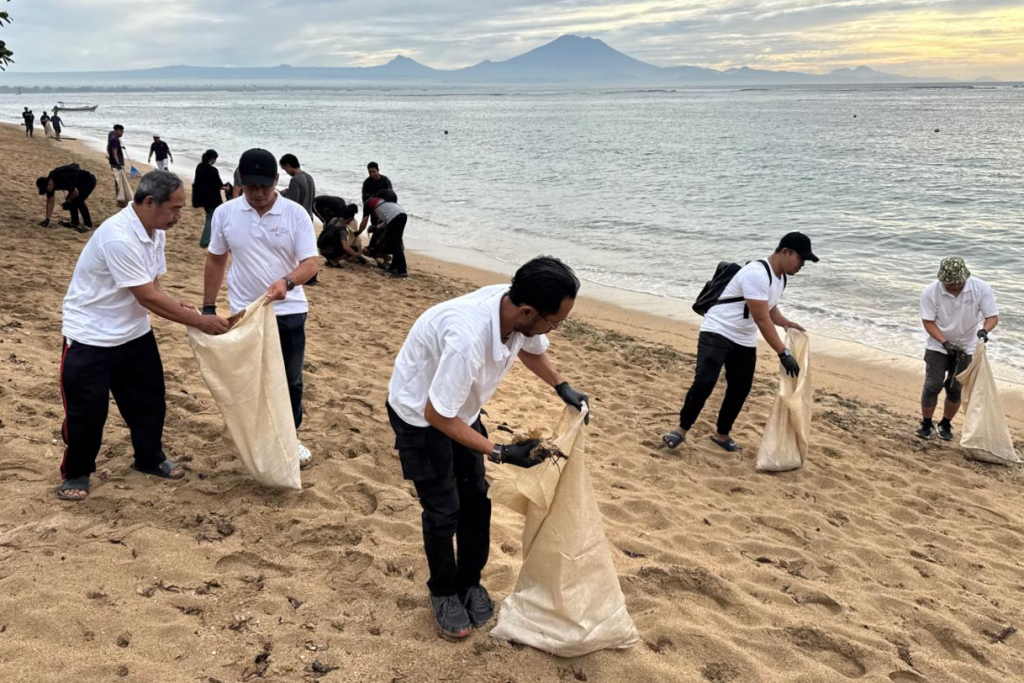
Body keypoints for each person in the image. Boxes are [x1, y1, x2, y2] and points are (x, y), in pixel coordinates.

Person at [387, 256, 590, 639]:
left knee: (476, 501)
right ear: (527, 311)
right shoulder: (468, 338)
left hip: (460, 411)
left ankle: (470, 582)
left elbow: (531, 346)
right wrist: (500, 451)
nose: (554, 329)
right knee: (443, 510)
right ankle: (444, 591)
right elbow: (436, 415)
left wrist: (561, 385)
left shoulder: (516, 309)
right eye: (554, 323)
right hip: (419, 415)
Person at [56, 171, 230, 501]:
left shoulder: (154, 230)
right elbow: (147, 297)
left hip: (134, 332)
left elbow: (153, 285)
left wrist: (174, 302)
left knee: (149, 402)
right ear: (150, 202)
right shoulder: (119, 237)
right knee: (87, 413)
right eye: (174, 209)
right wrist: (199, 321)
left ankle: (148, 458)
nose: (178, 216)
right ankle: (77, 472)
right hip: (91, 335)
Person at [203, 149, 319, 467]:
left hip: (288, 311)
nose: (258, 193)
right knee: (250, 378)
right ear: (240, 179)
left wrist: (287, 282)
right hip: (245, 313)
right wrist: (208, 307)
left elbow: (311, 262)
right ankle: (257, 435)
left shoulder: (295, 214)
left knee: (290, 379)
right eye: (251, 186)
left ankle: (290, 437)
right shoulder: (226, 213)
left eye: (265, 186)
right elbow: (216, 259)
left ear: (276, 180)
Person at [662, 233, 818, 452]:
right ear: (785, 252)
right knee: (705, 381)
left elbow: (770, 308)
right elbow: (761, 319)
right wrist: (783, 353)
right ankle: (681, 430)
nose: (802, 265)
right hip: (718, 329)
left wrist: (785, 323)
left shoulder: (781, 278)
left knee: (740, 388)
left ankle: (722, 434)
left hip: (743, 337)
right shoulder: (757, 273)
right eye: (801, 259)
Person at [916, 257, 999, 441]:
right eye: (949, 283)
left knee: (955, 389)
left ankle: (945, 423)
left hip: (967, 348)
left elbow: (992, 317)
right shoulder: (930, 292)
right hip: (938, 345)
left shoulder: (980, 288)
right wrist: (945, 342)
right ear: (942, 279)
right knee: (932, 385)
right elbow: (928, 322)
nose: (954, 285)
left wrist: (984, 331)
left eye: (958, 282)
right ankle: (926, 423)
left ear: (965, 277)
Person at [36, 164, 98, 233]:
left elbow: (75, 192)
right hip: (77, 183)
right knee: (71, 200)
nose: (46, 192)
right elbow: (50, 202)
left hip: (88, 180)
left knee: (79, 201)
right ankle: (74, 222)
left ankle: (88, 225)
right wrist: (47, 219)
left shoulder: (62, 178)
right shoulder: (50, 185)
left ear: (49, 184)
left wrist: (68, 202)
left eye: (45, 190)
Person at [192, 149, 231, 249]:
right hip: (213, 199)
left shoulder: (199, 167)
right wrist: (228, 188)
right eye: (215, 159)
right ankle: (205, 241)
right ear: (213, 158)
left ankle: (211, 239)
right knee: (211, 219)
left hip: (202, 198)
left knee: (212, 217)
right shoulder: (213, 170)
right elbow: (219, 185)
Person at [367, 196, 409, 278]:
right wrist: (376, 227)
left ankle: (402, 271)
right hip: (403, 215)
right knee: (397, 242)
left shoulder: (377, 209)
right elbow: (387, 221)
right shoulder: (386, 204)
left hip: (395, 217)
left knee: (395, 244)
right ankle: (393, 267)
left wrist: (375, 227)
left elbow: (386, 222)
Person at [358, 162, 392, 233]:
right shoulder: (367, 183)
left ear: (378, 170)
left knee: (385, 229)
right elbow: (364, 198)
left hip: (384, 208)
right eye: (370, 172)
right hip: (371, 207)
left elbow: (390, 196)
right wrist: (367, 210)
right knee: (374, 227)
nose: (372, 174)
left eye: (374, 172)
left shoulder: (385, 181)